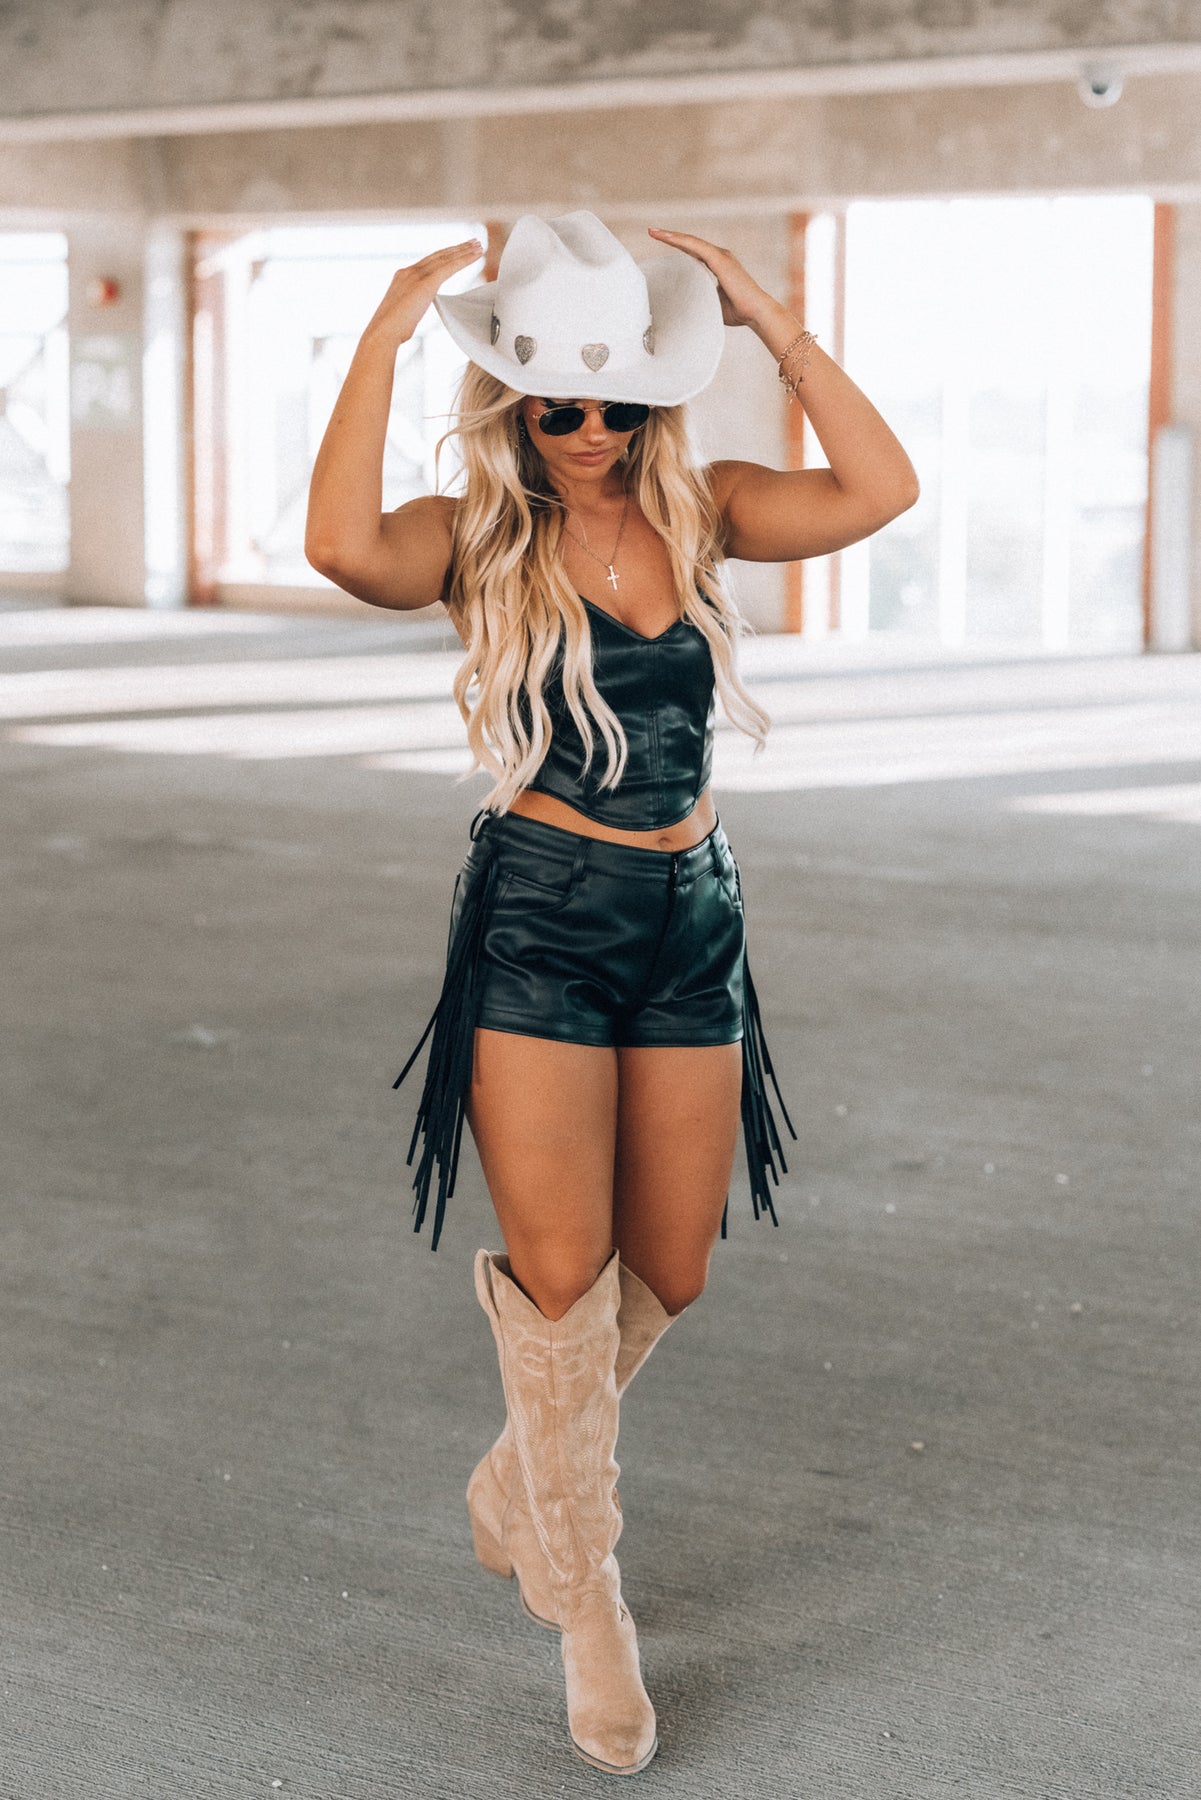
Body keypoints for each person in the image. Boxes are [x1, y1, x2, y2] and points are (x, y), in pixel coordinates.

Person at [305, 211, 918, 1777]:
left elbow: (880, 489)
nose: (587, 433)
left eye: (616, 404)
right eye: (555, 406)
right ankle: (588, 1600)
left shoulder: (708, 511)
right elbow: (339, 549)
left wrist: (766, 316)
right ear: (512, 403)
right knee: (566, 1274)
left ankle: (522, 1476)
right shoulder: (472, 534)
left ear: (655, 398)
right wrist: (382, 333)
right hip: (542, 918)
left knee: (673, 1269)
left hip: (691, 914)